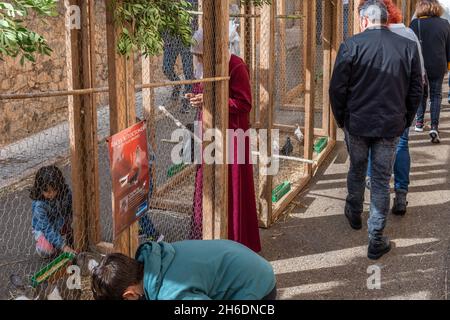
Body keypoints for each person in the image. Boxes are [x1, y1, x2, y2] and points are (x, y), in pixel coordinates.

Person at [329, 0, 423, 260]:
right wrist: (406, 118)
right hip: (390, 125)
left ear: (364, 20)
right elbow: (417, 88)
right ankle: (376, 237)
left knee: (357, 169)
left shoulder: (351, 46)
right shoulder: (407, 46)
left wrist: (341, 120)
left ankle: (354, 211)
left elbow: (337, 89)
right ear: (386, 19)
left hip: (357, 123)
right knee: (382, 180)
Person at [188, 29, 261, 253]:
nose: (198, 59)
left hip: (232, 137)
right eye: (197, 55)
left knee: (233, 186)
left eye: (201, 55)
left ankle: (235, 241)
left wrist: (211, 100)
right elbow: (202, 91)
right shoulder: (205, 67)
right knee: (205, 181)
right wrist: (197, 99)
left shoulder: (236, 66)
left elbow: (244, 104)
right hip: (210, 135)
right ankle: (205, 237)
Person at [365, 0, 426, 216]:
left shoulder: (371, 34)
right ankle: (400, 194)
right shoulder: (408, 33)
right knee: (401, 145)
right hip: (401, 100)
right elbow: (420, 74)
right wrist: (412, 112)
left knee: (373, 141)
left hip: (375, 101)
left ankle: (375, 186)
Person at [91, 240, 276, 300]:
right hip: (248, 264)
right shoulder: (154, 260)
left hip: (257, 287)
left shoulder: (172, 293)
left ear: (129, 295)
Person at [410, 0, 450, 143]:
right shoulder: (445, 24)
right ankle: (434, 126)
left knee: (421, 93)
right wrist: (448, 65)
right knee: (436, 95)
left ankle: (419, 123)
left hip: (420, 66)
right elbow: (448, 48)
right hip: (438, 65)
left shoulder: (415, 24)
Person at [30, 166, 76, 258]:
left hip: (61, 222)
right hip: (44, 229)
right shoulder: (39, 205)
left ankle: (68, 239)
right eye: (47, 191)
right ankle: (44, 244)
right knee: (46, 251)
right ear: (40, 189)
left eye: (54, 190)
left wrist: (74, 223)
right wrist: (63, 247)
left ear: (59, 186)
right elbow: (46, 228)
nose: (51, 194)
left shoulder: (65, 193)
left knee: (76, 222)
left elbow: (73, 208)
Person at [162, 0, 198, 114]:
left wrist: (193, 36)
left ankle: (186, 102)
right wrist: (164, 36)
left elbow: (195, 18)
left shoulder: (193, 1)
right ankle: (177, 84)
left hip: (186, 40)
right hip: (171, 40)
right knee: (166, 68)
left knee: (188, 73)